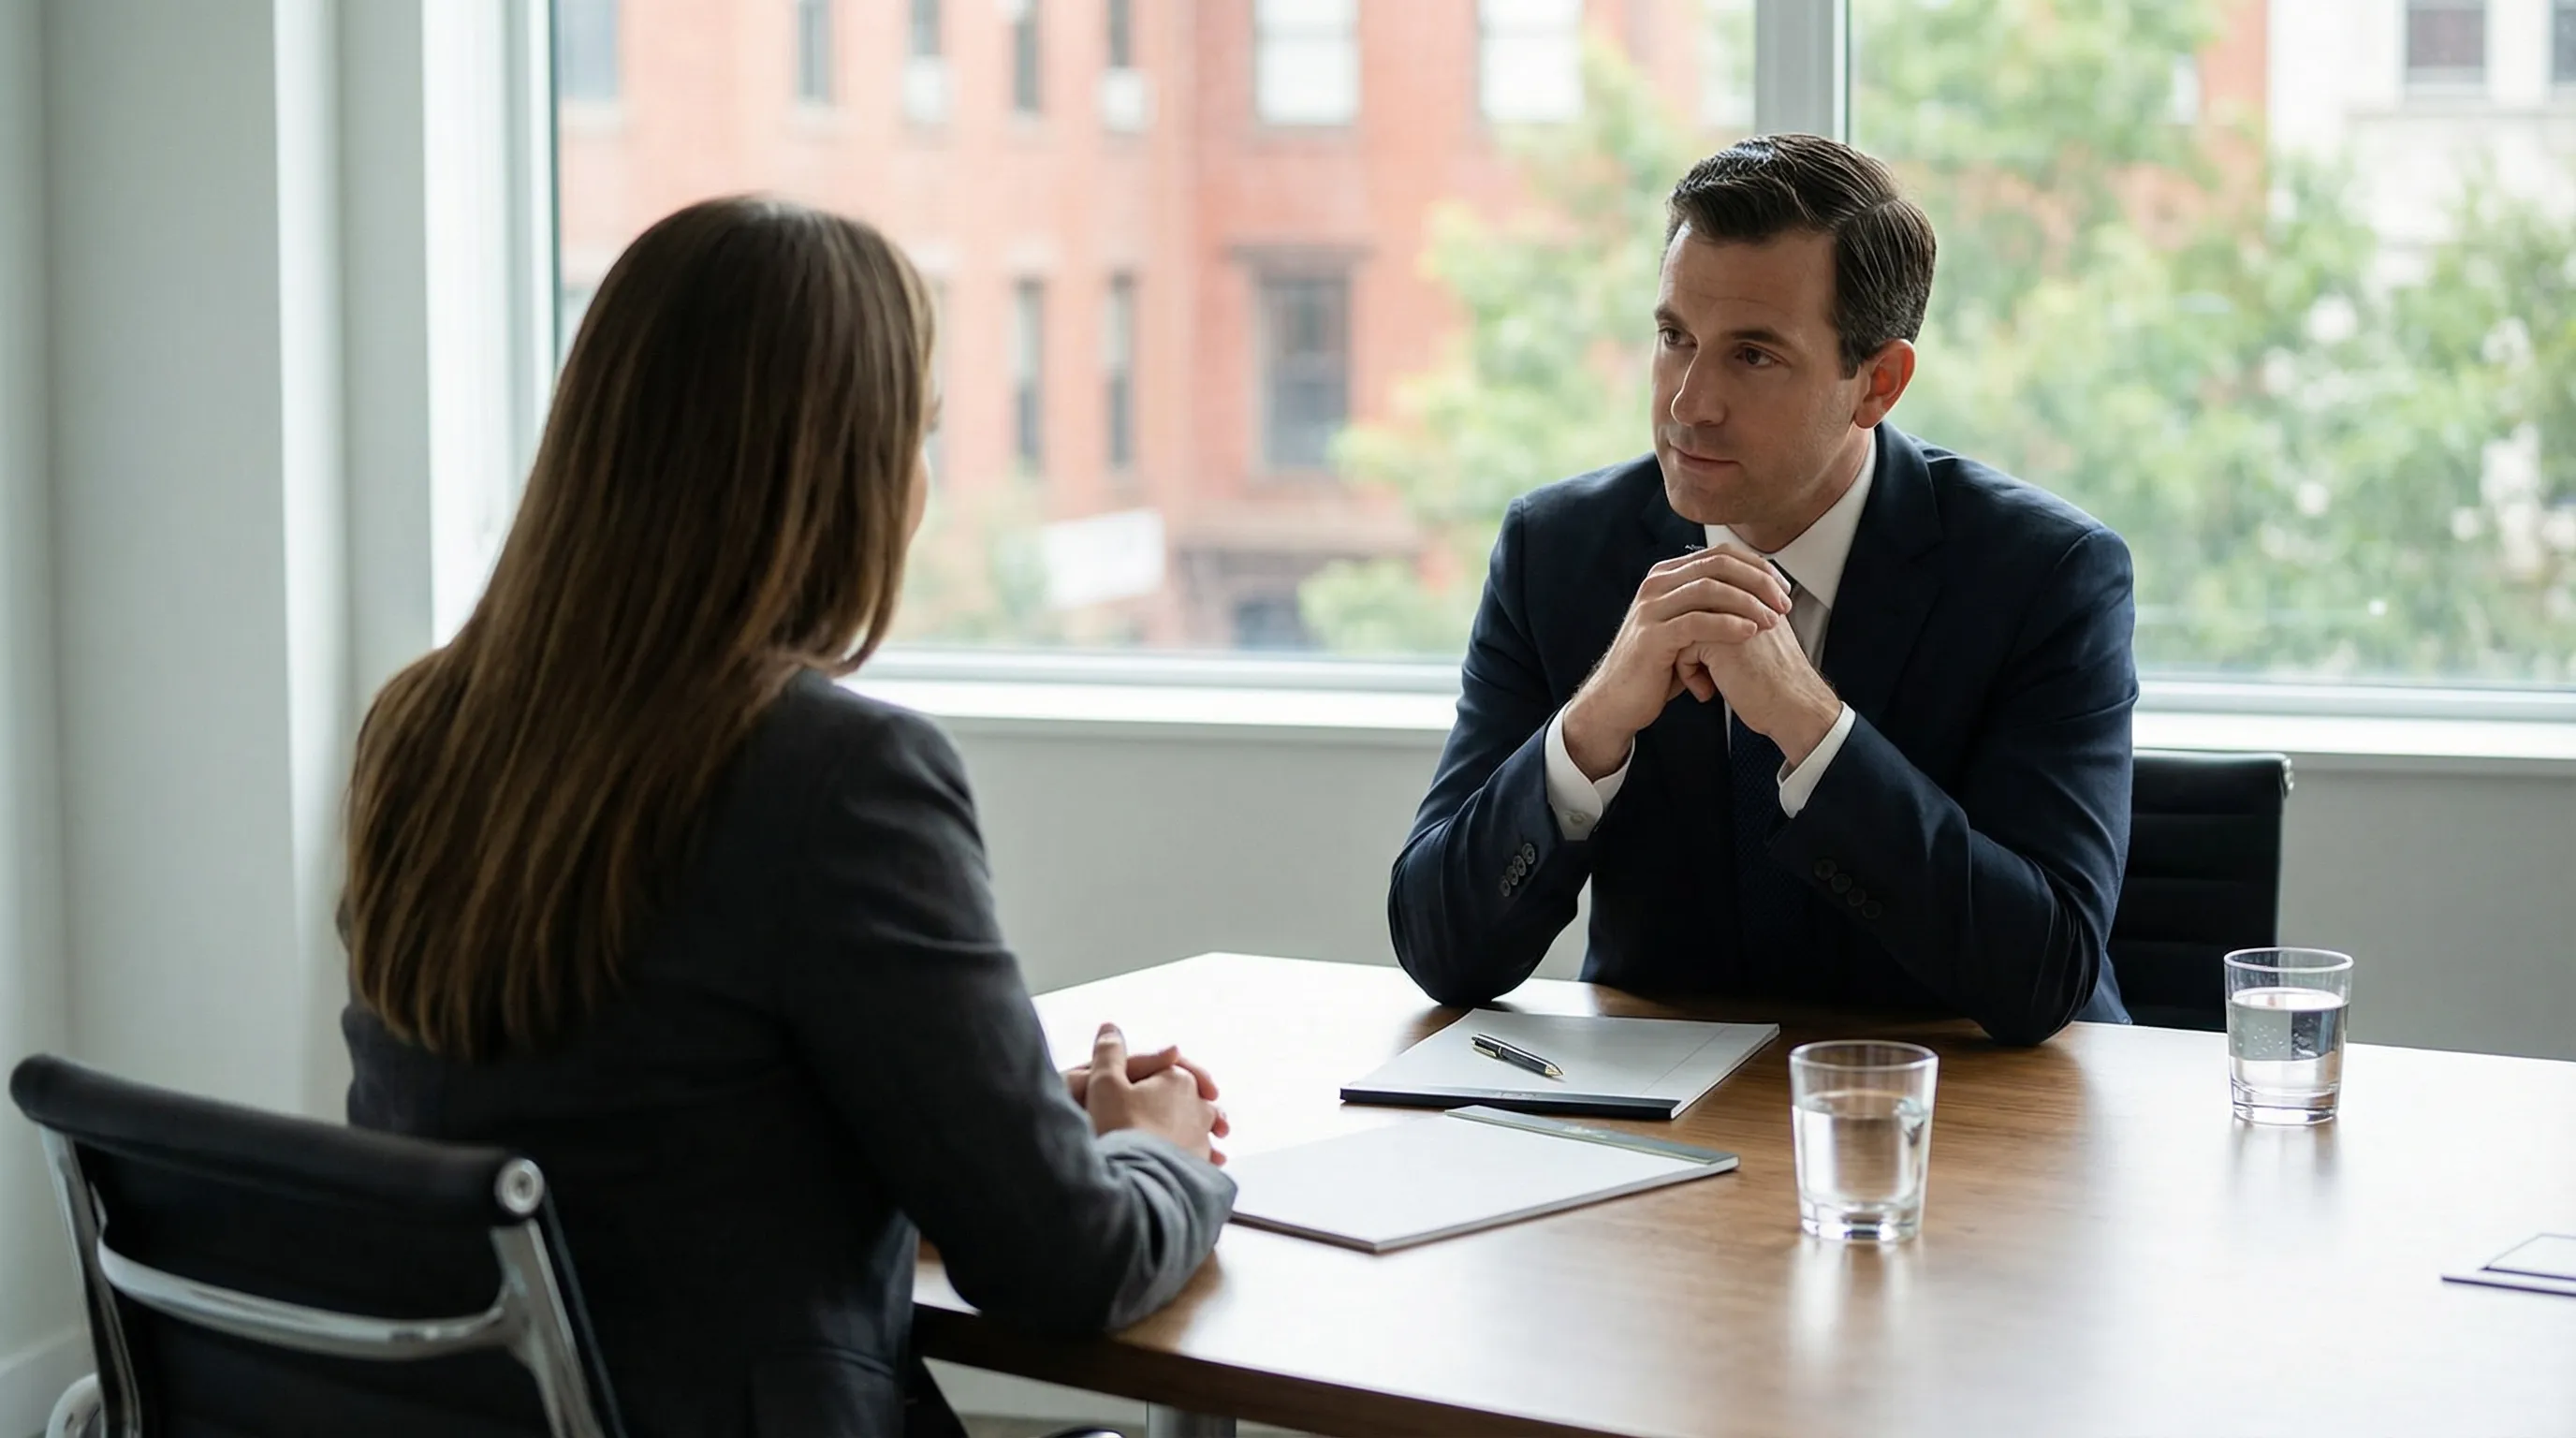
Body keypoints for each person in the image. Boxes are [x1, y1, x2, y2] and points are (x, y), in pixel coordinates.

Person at [341, 197, 1232, 1437]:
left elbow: (629, 1122)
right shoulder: (840, 775)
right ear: (845, 473)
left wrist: (983, 1134)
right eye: (915, 434)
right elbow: (1065, 1266)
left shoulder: (422, 732)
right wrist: (1162, 1154)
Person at [1388, 134, 2135, 1045]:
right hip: (1666, 1136)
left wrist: (1809, 728)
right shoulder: (1556, 553)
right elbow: (1441, 952)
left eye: (1753, 356)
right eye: (1674, 339)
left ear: (1878, 383)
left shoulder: (2044, 575)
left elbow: (2045, 973)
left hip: (1968, 1123)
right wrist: (1587, 732)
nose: (1687, 403)